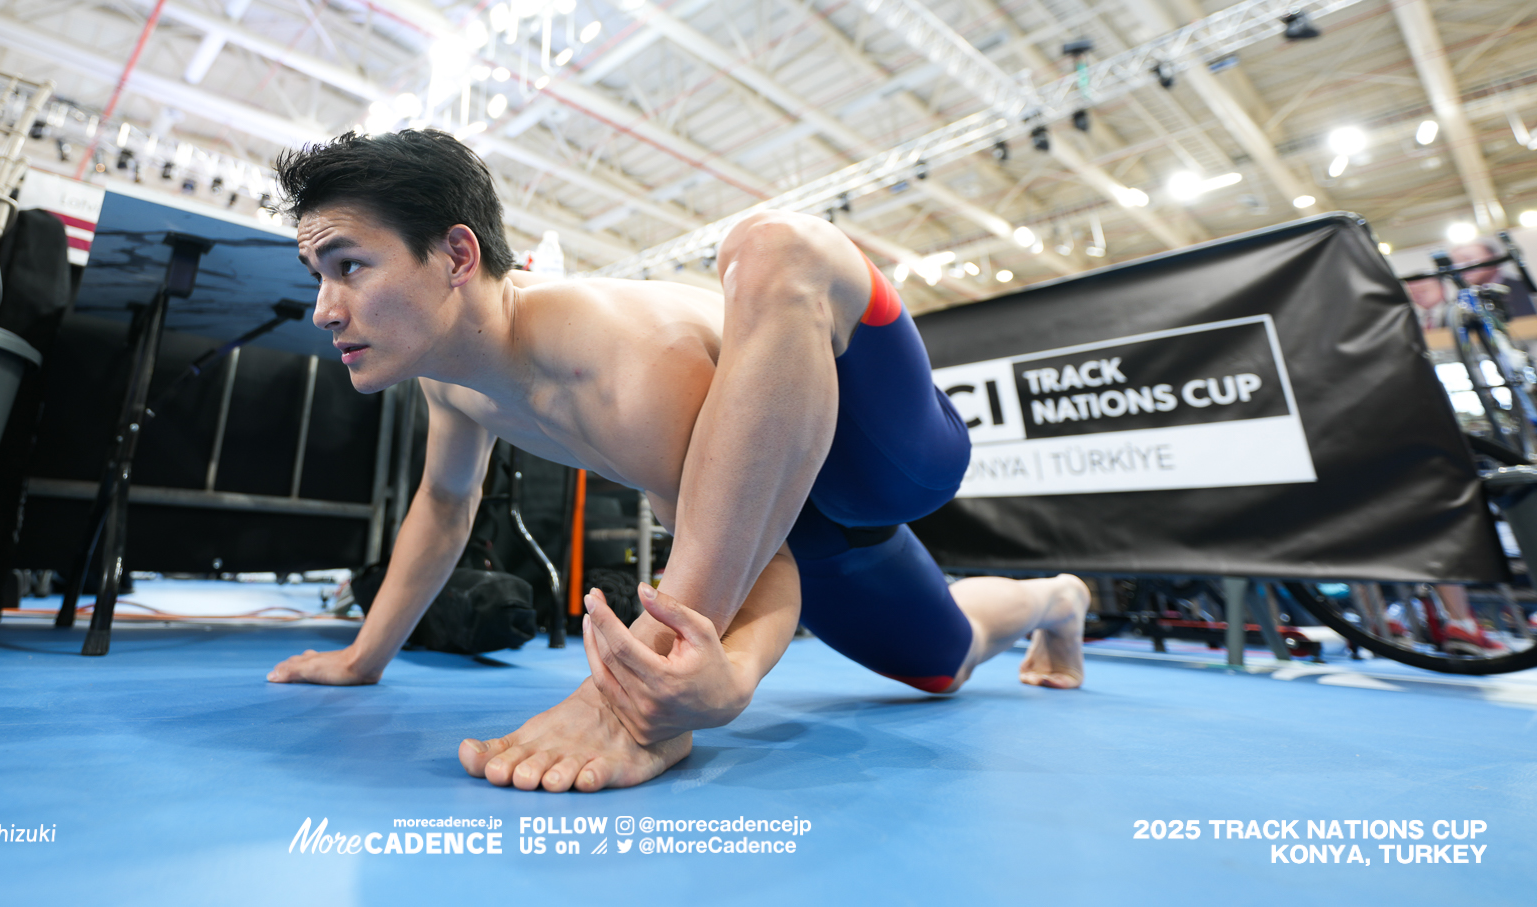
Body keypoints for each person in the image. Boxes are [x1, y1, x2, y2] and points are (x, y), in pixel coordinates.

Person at [267, 129, 1088, 792]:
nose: (323, 308)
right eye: (318, 275)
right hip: (803, 529)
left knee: (776, 246)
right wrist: (361, 657)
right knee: (945, 660)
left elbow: (745, 550)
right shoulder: (454, 389)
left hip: (880, 452)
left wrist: (709, 682)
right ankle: (1059, 598)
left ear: (455, 254)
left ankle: (627, 706)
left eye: (349, 266)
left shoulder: (620, 363)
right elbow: (445, 508)